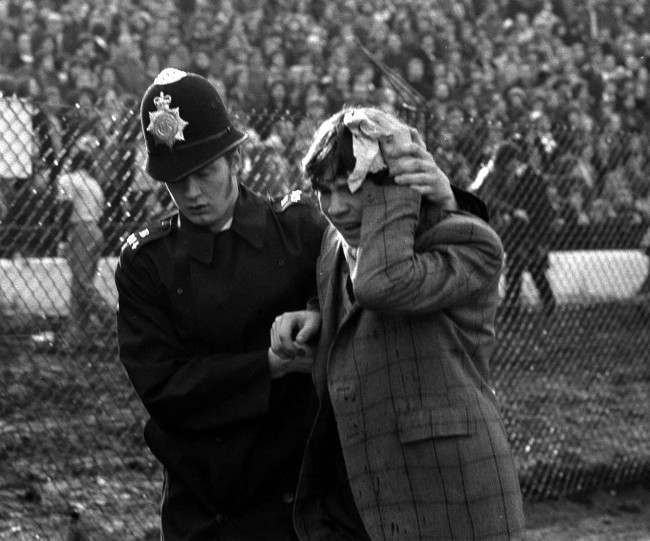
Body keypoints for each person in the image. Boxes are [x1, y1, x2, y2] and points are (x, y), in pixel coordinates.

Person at [114, 69, 473, 540]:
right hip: (205, 502)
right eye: (177, 182)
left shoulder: (301, 229)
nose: (193, 194)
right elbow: (162, 387)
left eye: (204, 172)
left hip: (300, 497)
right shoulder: (146, 263)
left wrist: (448, 202)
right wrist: (267, 366)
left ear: (235, 159)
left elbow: (394, 272)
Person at [271, 108, 525, 540]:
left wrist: (396, 182)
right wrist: (318, 312)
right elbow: (360, 296)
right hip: (364, 497)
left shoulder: (467, 241)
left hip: (451, 497)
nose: (335, 208)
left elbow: (381, 284)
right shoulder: (336, 242)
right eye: (324, 191)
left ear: (394, 182)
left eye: (352, 188)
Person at [57, 135, 111, 350]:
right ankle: (77, 334)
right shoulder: (94, 184)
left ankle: (114, 320)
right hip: (95, 230)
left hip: (80, 229)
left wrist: (62, 237)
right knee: (80, 284)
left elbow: (66, 206)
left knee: (81, 286)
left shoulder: (68, 179)